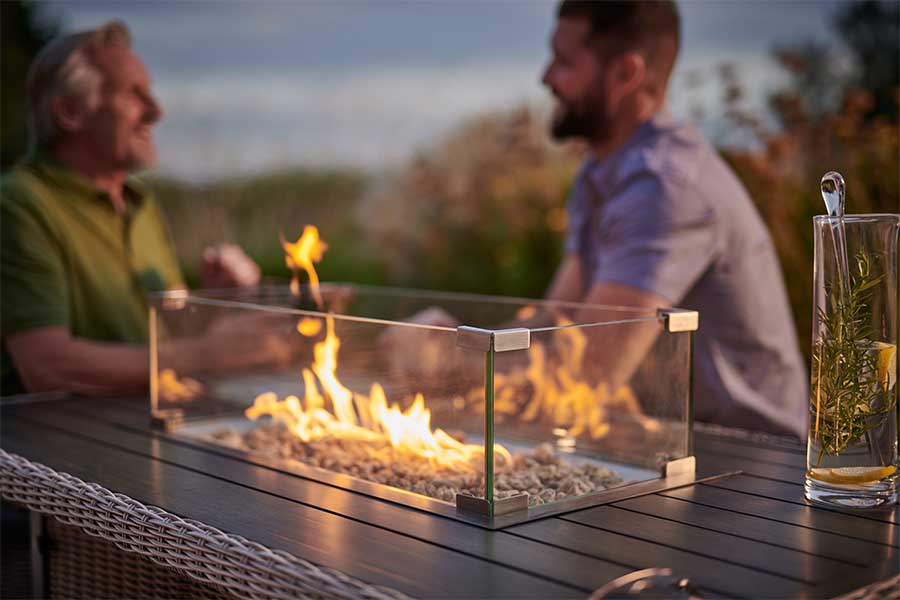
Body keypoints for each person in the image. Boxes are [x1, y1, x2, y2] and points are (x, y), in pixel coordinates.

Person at [538, 0, 807, 437]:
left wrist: (444, 362)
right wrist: (459, 339)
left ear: (626, 74)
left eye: (564, 62)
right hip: (658, 443)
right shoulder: (600, 172)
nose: (545, 77)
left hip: (752, 467)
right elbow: (558, 322)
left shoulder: (665, 188)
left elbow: (582, 378)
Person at [1, 21, 262, 396]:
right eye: (134, 94)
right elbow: (47, 367)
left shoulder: (140, 203)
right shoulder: (19, 205)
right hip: (53, 449)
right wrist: (207, 354)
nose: (156, 111)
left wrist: (215, 303)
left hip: (150, 430)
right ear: (70, 112)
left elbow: (164, 345)